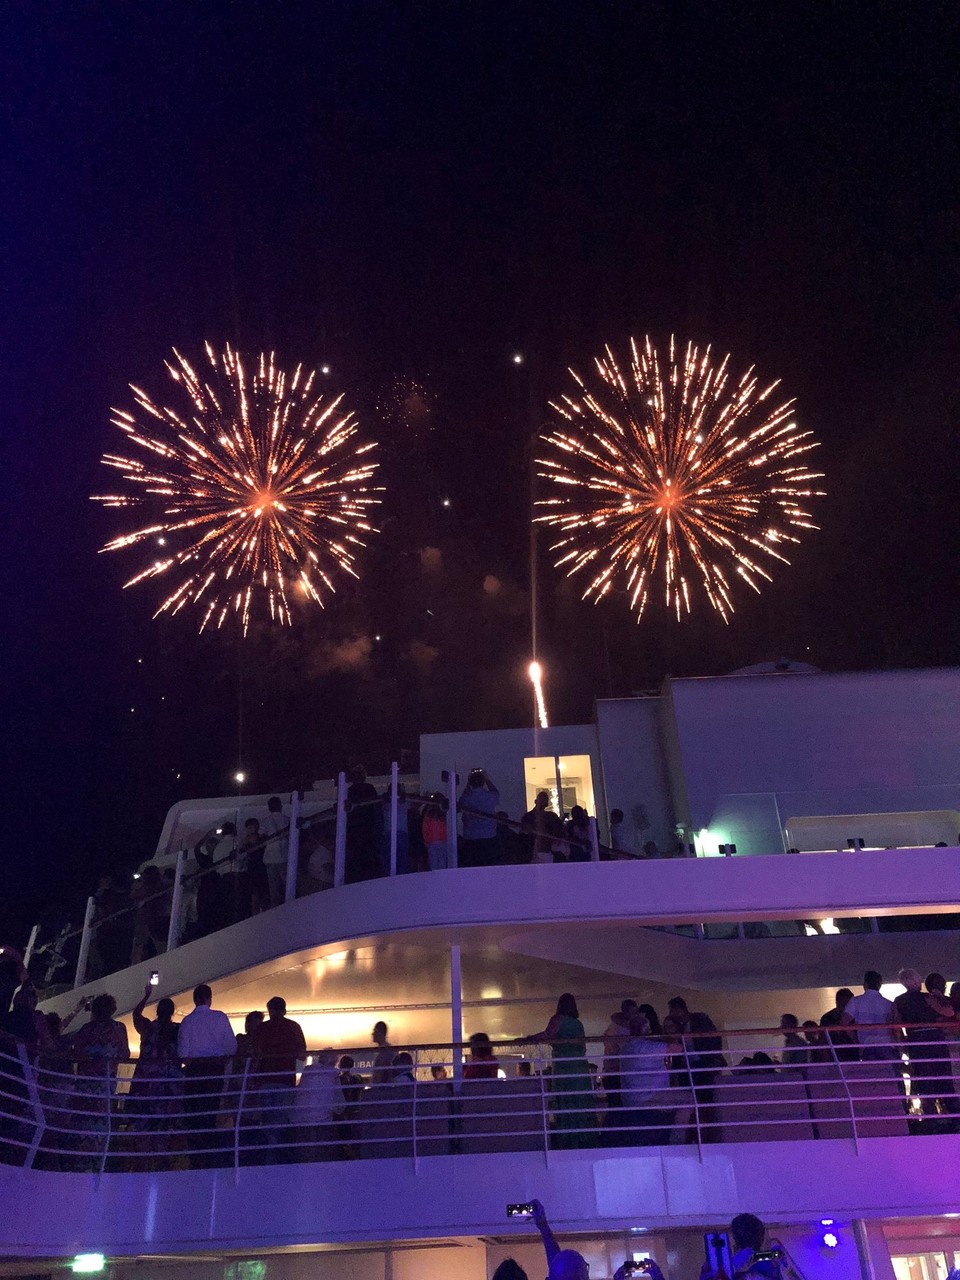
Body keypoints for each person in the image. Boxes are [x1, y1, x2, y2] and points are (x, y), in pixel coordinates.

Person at [519, 993, 593, 1148]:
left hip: (564, 1065)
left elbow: (548, 1035)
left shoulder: (558, 1019)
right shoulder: (578, 1023)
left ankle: (567, 1140)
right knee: (579, 1102)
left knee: (565, 1100)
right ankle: (583, 1139)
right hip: (579, 1066)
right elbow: (583, 1047)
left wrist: (528, 1039)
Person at [177, 984, 237, 1167]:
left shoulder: (187, 1022)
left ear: (195, 999)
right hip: (214, 1070)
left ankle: (196, 1159)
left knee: (194, 1116)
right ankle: (208, 1159)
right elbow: (231, 1047)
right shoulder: (220, 1018)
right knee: (210, 1114)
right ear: (210, 998)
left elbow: (182, 1053)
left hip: (194, 1072)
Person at [69, 992, 130, 1162]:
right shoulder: (118, 1029)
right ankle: (97, 1159)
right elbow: (125, 1053)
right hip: (105, 1082)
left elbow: (75, 1052)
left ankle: (81, 1159)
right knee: (101, 1121)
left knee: (83, 1120)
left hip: (86, 1083)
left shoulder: (87, 1029)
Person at [894, 968, 958, 1128]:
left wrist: (903, 1043)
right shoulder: (928, 998)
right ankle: (954, 1117)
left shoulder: (899, 1001)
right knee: (944, 1078)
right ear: (916, 981)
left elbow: (896, 1023)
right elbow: (949, 1012)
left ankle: (931, 1119)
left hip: (916, 1042)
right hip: (934, 1040)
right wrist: (940, 1001)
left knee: (923, 1081)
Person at [127, 982, 182, 1161]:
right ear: (172, 1012)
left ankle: (141, 1160)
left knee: (143, 1123)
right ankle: (159, 1160)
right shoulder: (177, 1030)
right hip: (167, 1085)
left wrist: (146, 995)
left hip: (146, 1084)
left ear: (157, 1011)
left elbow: (136, 1014)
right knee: (163, 1126)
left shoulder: (149, 1028)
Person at [253, 996, 307, 1159]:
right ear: (284, 1010)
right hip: (285, 1080)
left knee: (267, 1118)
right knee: (281, 1118)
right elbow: (302, 1056)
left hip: (265, 1080)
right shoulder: (293, 1027)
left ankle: (269, 1152)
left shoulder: (261, 1029)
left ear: (269, 1010)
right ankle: (278, 1153)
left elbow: (256, 1055)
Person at [619, 1011, 673, 1145]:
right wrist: (671, 1036)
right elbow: (677, 1048)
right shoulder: (649, 1046)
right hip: (650, 1096)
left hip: (631, 1098)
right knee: (690, 1100)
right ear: (646, 1029)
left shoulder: (626, 1048)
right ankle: (678, 1139)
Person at [295, 1048, 345, 1159]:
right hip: (321, 1123)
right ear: (334, 1062)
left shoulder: (307, 1071)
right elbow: (340, 1106)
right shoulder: (333, 1074)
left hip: (299, 1122)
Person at [345, 765, 384, 883]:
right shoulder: (354, 790)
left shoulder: (354, 790)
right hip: (362, 828)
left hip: (363, 828)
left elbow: (376, 806)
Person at [845, 971, 896, 1061]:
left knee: (871, 1073)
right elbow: (895, 1028)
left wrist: (856, 1041)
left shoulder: (856, 1002)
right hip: (887, 1044)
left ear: (865, 984)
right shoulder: (889, 1004)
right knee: (889, 1073)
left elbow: (844, 1023)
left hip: (866, 1045)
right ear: (880, 985)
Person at [601, 999, 638, 1123]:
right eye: (634, 1012)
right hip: (618, 1073)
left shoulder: (613, 1026)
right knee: (620, 1108)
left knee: (615, 1107)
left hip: (610, 1072)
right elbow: (627, 1050)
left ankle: (612, 1134)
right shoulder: (621, 1030)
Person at [458, 768, 501, 867]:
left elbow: (462, 800)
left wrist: (468, 782)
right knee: (488, 866)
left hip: (470, 837)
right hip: (489, 836)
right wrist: (487, 779)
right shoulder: (490, 796)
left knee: (472, 867)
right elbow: (496, 792)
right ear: (483, 782)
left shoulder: (467, 797)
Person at [521, 791, 564, 864]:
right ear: (536, 801)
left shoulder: (551, 816)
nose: (543, 802)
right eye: (542, 800)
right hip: (533, 851)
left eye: (545, 800)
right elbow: (524, 833)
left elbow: (559, 831)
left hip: (548, 850)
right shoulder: (528, 816)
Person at [238, 817, 269, 917]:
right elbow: (241, 852)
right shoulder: (246, 841)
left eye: (251, 827)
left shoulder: (262, 838)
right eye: (248, 828)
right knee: (254, 894)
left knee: (263, 893)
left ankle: (264, 912)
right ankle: (255, 915)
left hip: (261, 866)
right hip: (252, 868)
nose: (250, 830)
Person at [819, 988, 858, 1062]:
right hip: (834, 1055)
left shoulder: (855, 1017)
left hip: (852, 1054)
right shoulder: (827, 1018)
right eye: (844, 1003)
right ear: (837, 1002)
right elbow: (823, 1040)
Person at [262, 796, 288, 908]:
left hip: (270, 858)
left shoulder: (265, 821)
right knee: (286, 886)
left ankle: (275, 909)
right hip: (285, 856)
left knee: (274, 889)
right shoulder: (287, 819)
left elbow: (261, 837)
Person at [421, 794, 448, 871]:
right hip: (443, 842)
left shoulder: (429, 815)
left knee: (434, 866)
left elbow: (425, 828)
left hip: (432, 842)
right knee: (442, 864)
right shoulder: (444, 815)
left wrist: (426, 840)